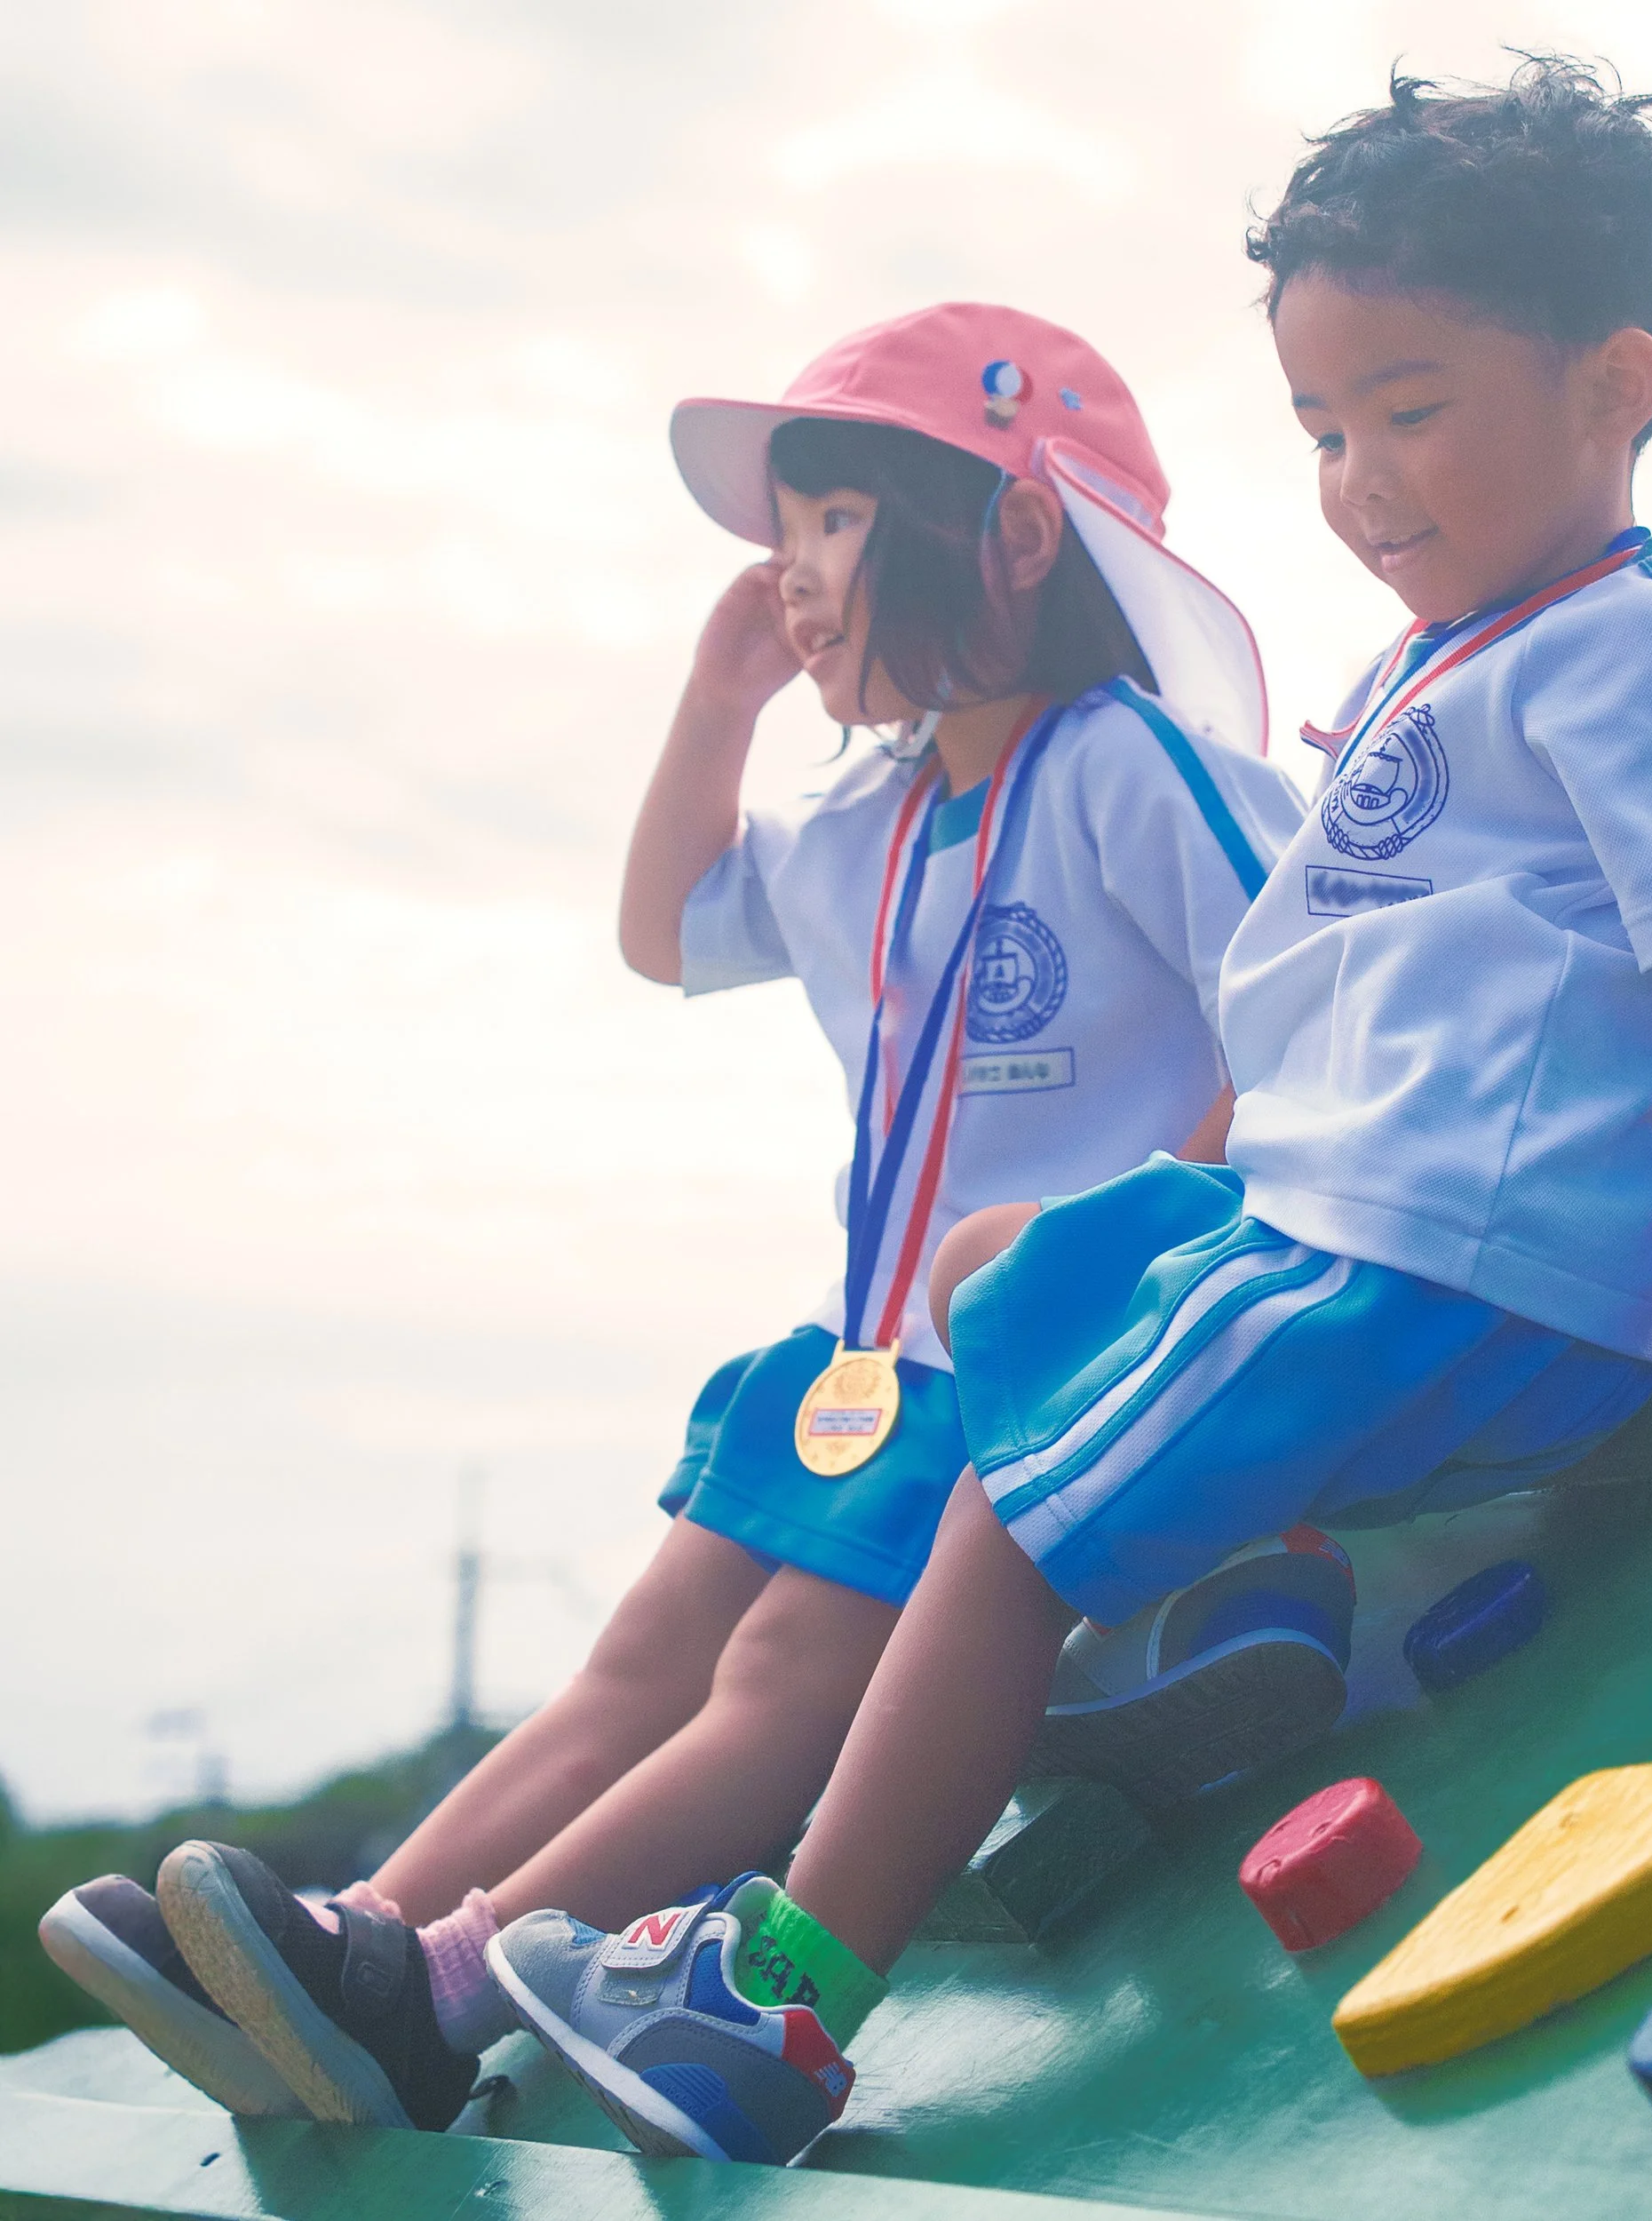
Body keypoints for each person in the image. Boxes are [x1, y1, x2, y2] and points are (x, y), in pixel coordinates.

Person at [461, 60, 1652, 2168]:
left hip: (1428, 1259)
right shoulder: (1434, 656)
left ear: (1613, 380)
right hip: (1329, 1224)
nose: (1358, 478)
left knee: (1002, 1506)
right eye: (1321, 429)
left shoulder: (1639, 634)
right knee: (1030, 1282)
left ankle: (769, 2003)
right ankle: (1204, 1608)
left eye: (1410, 411)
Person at [39, 302, 1307, 2135]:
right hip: (867, 1350)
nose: (789, 580)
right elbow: (668, 926)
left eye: (833, 527)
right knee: (643, 1647)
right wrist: (719, 699)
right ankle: (357, 1937)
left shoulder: (1121, 758)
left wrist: (1138, 1245)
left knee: (782, 1670)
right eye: (778, 544)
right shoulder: (864, 813)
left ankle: (453, 1980)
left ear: (1017, 534)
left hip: (1033, 1342)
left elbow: (1291, 996)